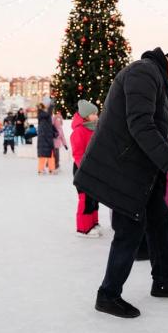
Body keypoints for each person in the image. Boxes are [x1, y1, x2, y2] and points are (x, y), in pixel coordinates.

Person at [74, 43, 168, 318]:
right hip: (124, 168)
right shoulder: (143, 73)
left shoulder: (157, 79)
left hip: (143, 169)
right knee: (130, 229)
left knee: (159, 222)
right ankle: (107, 295)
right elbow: (141, 125)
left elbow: (156, 129)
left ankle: (163, 281)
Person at [71, 100, 101, 237]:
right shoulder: (79, 131)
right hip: (82, 170)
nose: (97, 116)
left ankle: (93, 222)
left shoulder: (94, 128)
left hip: (94, 169)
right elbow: (77, 153)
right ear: (86, 115)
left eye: (97, 113)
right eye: (93, 114)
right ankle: (83, 228)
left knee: (94, 198)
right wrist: (85, 169)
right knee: (85, 198)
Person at [37, 102, 56, 175]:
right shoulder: (45, 116)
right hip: (46, 139)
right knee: (50, 155)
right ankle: (51, 170)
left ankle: (41, 170)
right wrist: (51, 105)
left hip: (43, 139)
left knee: (43, 155)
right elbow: (49, 113)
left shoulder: (41, 117)